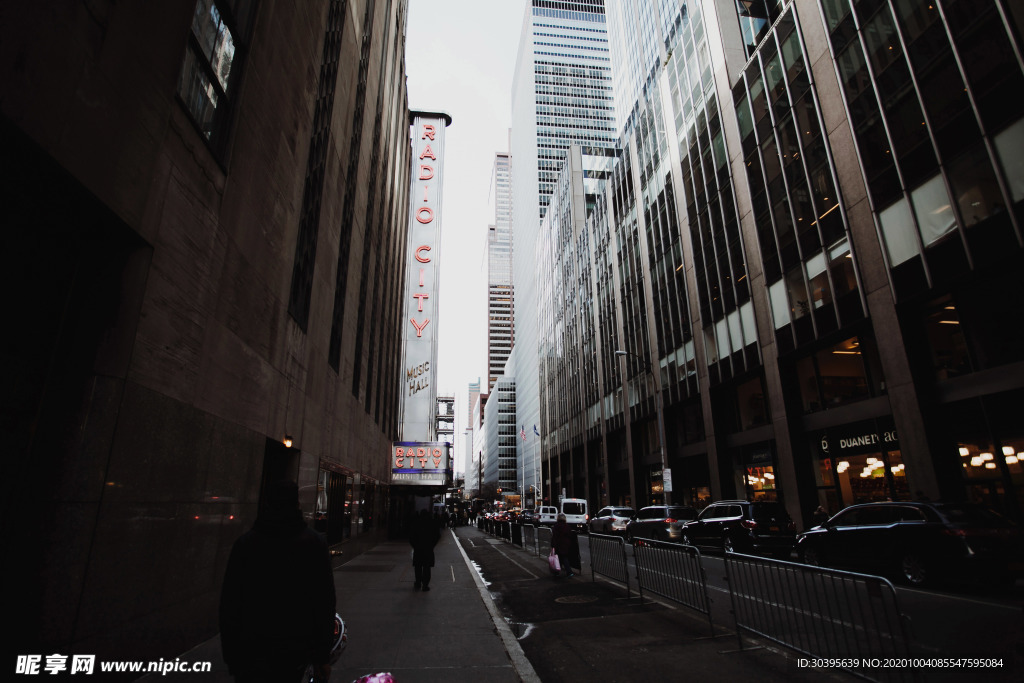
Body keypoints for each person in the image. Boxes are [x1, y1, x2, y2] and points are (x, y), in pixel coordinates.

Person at [219, 480, 336, 683]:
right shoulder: (314, 543)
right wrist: (322, 656)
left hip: (251, 649)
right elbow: (324, 603)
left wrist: (232, 657)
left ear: (265, 504)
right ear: (297, 503)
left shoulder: (246, 544)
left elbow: (230, 604)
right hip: (295, 648)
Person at [409, 508, 441, 591]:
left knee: (418, 567)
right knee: (427, 567)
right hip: (428, 548)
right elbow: (437, 535)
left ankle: (418, 583)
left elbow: (411, 536)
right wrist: (432, 545)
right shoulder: (432, 523)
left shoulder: (416, 523)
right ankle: (425, 585)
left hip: (418, 548)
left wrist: (415, 545)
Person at [551, 513, 575, 578]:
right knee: (564, 558)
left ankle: (558, 572)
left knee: (558, 558)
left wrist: (553, 545)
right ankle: (568, 572)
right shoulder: (567, 526)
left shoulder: (556, 526)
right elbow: (570, 535)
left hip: (558, 544)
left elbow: (554, 536)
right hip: (566, 544)